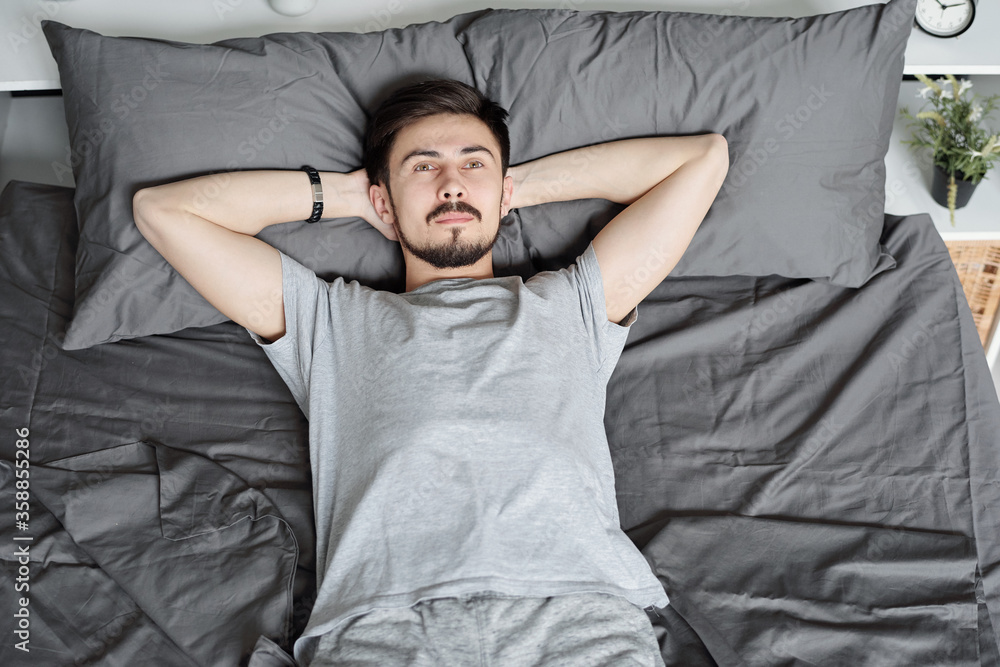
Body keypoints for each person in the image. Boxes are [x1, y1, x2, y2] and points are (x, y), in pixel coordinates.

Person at [133, 78, 729, 666]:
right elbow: (163, 212)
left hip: (580, 615)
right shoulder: (330, 319)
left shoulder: (573, 304)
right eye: (423, 167)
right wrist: (350, 196)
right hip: (386, 628)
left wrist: (507, 190)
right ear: (384, 202)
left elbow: (702, 160)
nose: (451, 185)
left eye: (473, 163)